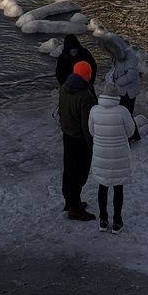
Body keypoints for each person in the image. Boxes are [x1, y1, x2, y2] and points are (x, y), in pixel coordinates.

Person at [88, 81, 135, 234]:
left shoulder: (94, 110)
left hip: (101, 155)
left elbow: (92, 131)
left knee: (102, 187)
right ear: (116, 96)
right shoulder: (123, 111)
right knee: (118, 188)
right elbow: (131, 133)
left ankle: (103, 220)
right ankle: (117, 222)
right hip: (118, 156)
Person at [58, 60, 96, 221]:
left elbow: (61, 111)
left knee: (69, 170)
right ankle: (75, 208)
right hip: (79, 140)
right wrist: (92, 146)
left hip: (67, 135)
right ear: (87, 75)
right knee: (79, 174)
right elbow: (88, 126)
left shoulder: (64, 87)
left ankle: (70, 201)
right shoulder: (85, 96)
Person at [104, 35, 141, 140]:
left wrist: (116, 82)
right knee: (125, 115)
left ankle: (132, 136)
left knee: (127, 115)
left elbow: (132, 75)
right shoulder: (117, 56)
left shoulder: (130, 56)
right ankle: (132, 136)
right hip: (121, 91)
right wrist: (109, 77)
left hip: (129, 92)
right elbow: (114, 70)